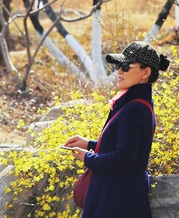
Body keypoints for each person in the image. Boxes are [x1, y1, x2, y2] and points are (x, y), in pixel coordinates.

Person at [64, 41, 170, 218]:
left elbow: (124, 158)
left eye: (127, 66)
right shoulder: (136, 104)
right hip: (120, 196)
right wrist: (89, 143)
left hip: (117, 201)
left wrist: (87, 157)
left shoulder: (133, 109)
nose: (120, 70)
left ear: (146, 72)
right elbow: (126, 147)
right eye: (119, 65)